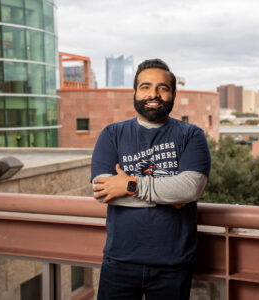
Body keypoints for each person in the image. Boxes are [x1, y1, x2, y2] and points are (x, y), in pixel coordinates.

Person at [91, 58, 211, 300]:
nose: (153, 94)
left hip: (173, 263)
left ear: (173, 94)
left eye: (162, 88)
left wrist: (128, 185)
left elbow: (189, 189)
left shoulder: (192, 135)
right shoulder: (112, 134)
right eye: (145, 87)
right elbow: (103, 190)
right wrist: (168, 197)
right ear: (135, 92)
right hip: (119, 260)